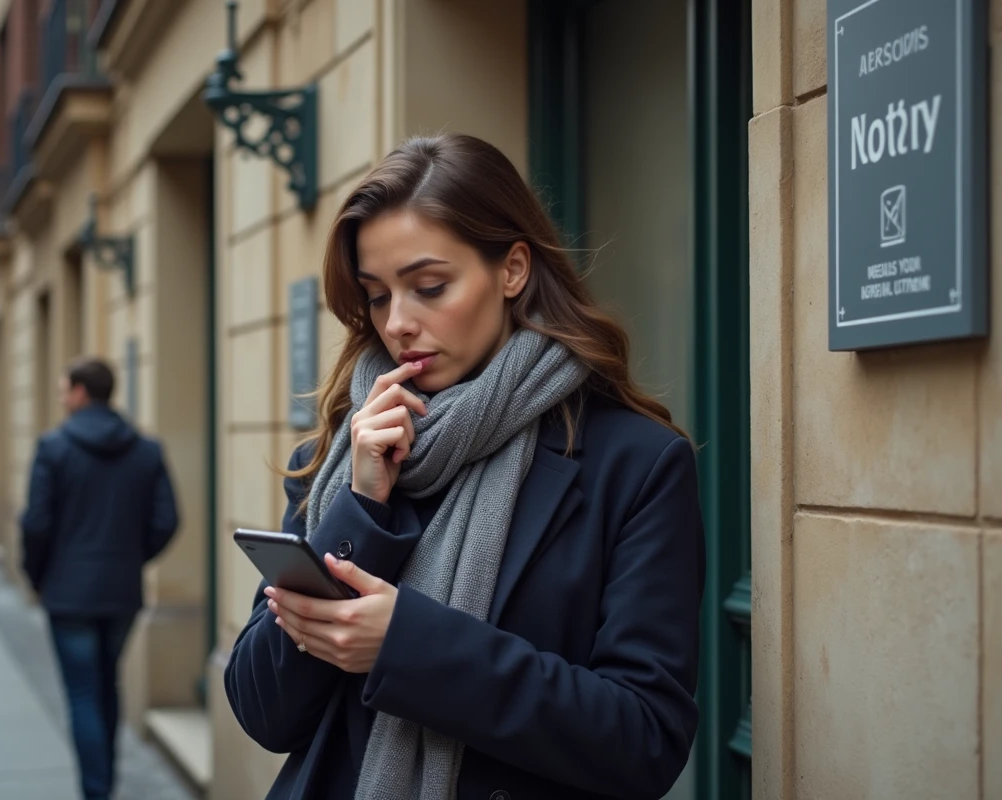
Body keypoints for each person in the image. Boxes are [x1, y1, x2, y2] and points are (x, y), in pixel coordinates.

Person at [225, 133, 707, 800]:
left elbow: (643, 737)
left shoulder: (635, 466)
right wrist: (361, 508)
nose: (398, 323)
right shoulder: (337, 457)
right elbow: (263, 710)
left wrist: (407, 646)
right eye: (377, 295)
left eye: (429, 286)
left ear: (512, 269)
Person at [19, 357, 180, 800]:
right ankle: (104, 783)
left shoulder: (53, 448)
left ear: (79, 392)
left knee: (83, 694)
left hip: (68, 592)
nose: (61, 398)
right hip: (121, 589)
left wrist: (36, 575)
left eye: (62, 390)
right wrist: (131, 557)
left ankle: (96, 791)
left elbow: (36, 523)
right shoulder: (146, 449)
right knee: (106, 684)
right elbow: (166, 520)